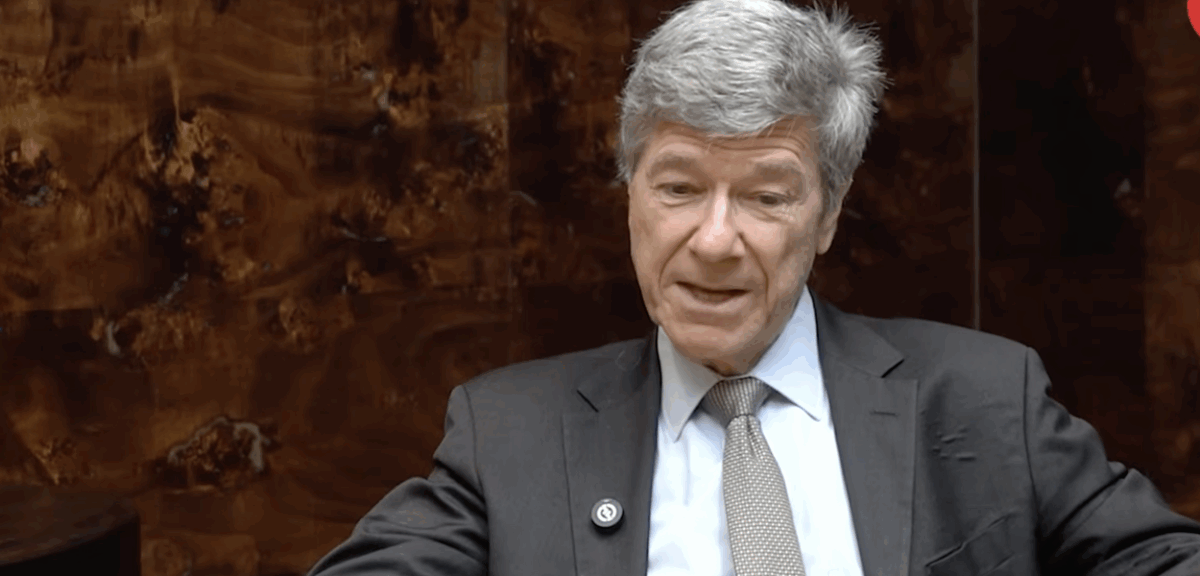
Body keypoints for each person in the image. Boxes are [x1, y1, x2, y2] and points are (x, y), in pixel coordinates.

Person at [306, 0, 1200, 574]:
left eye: (767, 196)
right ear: (630, 197)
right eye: (679, 187)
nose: (715, 239)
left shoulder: (985, 398)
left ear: (828, 214)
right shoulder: (509, 435)